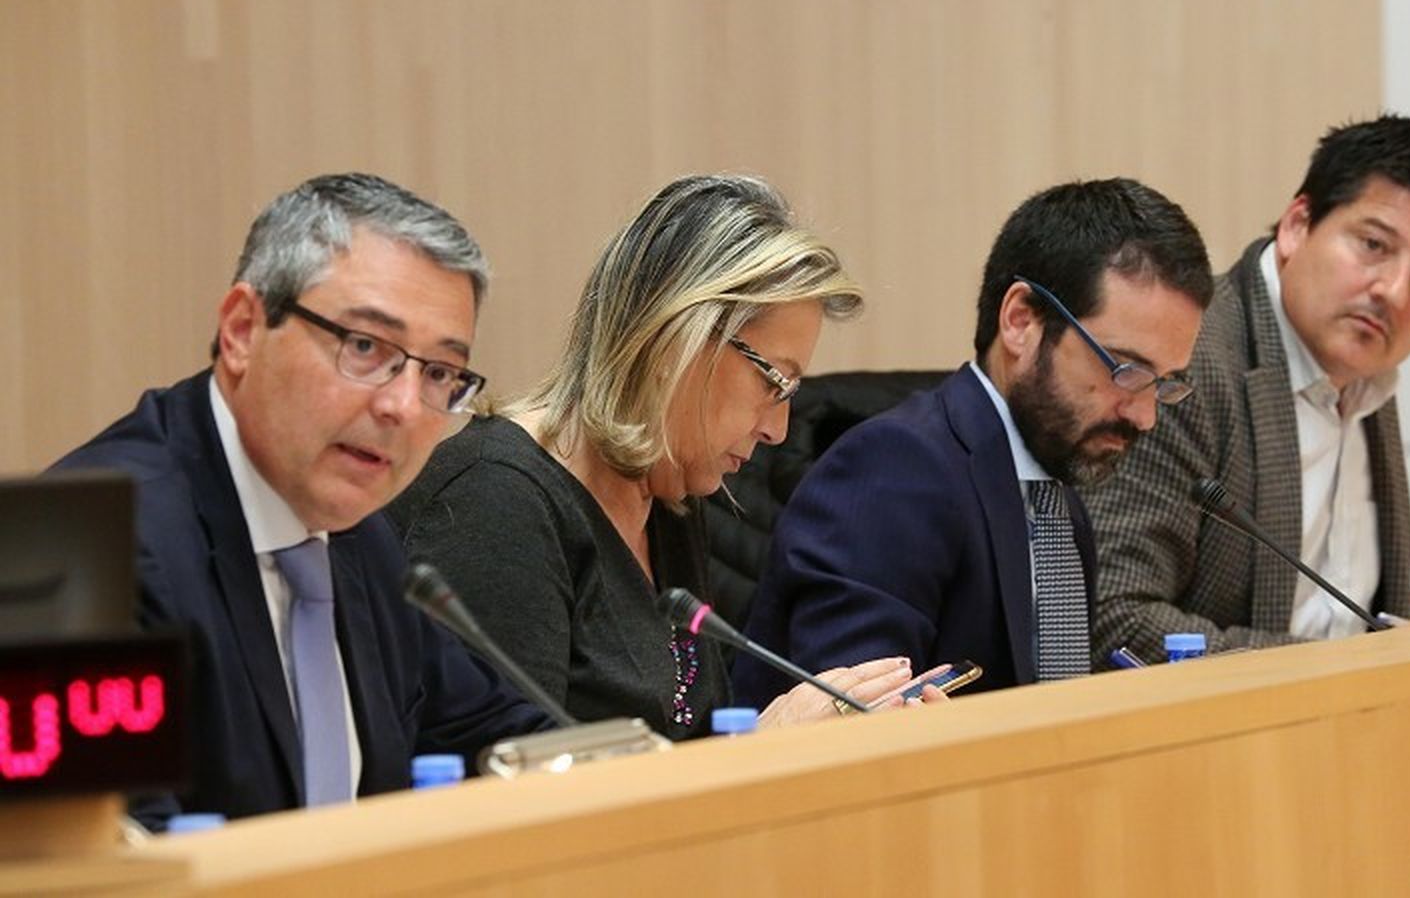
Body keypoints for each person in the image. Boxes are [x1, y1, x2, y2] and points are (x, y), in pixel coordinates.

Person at [52, 173, 550, 828]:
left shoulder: (358, 535)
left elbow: (495, 735)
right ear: (242, 330)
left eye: (437, 372)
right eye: (364, 347)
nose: (402, 406)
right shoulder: (106, 549)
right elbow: (121, 850)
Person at [388, 174, 926, 740]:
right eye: (774, 382)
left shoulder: (666, 493)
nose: (778, 429)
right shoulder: (492, 503)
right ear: (677, 339)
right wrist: (759, 749)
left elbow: (692, 742)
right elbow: (513, 777)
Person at [734, 178, 1214, 707]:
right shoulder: (894, 472)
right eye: (1126, 370)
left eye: (1164, 383)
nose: (1145, 416)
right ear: (1021, 320)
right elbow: (847, 721)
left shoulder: (1059, 503)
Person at [1086, 114, 1410, 665]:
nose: (1394, 292)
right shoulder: (1189, 365)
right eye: (1374, 245)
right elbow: (1113, 618)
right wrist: (1358, 665)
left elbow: (1341, 614)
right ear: (1297, 225)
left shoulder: (1364, 380)